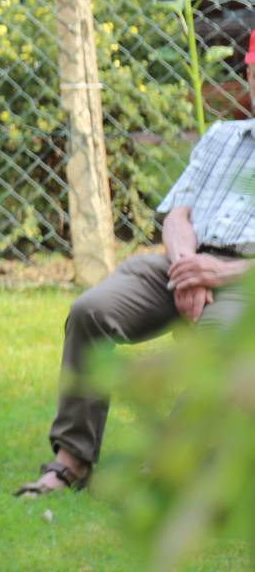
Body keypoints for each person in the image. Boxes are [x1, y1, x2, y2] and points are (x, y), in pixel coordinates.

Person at [15, 31, 255, 497]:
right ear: (249, 71)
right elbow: (179, 212)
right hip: (182, 260)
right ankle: (72, 460)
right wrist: (188, 266)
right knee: (92, 312)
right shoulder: (222, 137)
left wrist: (219, 273)